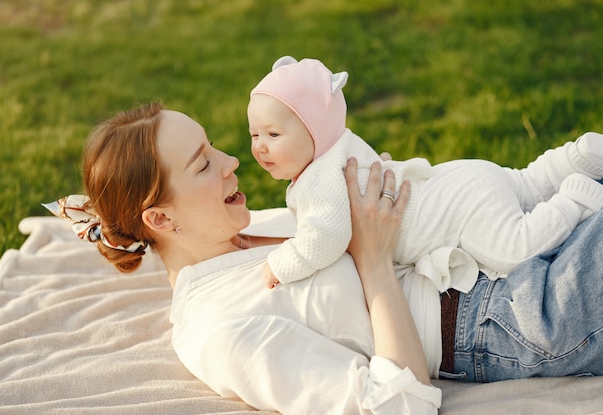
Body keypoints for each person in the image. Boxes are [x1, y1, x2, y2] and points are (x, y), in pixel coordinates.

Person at [45, 102, 603, 415]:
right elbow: (393, 408)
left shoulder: (249, 227)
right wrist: (375, 263)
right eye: (202, 165)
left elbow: (349, 217)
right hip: (508, 316)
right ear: (161, 220)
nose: (233, 160)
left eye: (213, 145)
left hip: (501, 241)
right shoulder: (222, 332)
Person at [247, 56, 603, 290]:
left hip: (458, 214)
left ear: (315, 129)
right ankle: (572, 159)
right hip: (460, 177)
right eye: (254, 135)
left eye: (273, 135)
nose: (260, 147)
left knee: (516, 248)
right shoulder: (344, 146)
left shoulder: (320, 181)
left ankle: (574, 197)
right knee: (525, 183)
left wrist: (281, 265)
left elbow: (325, 237)